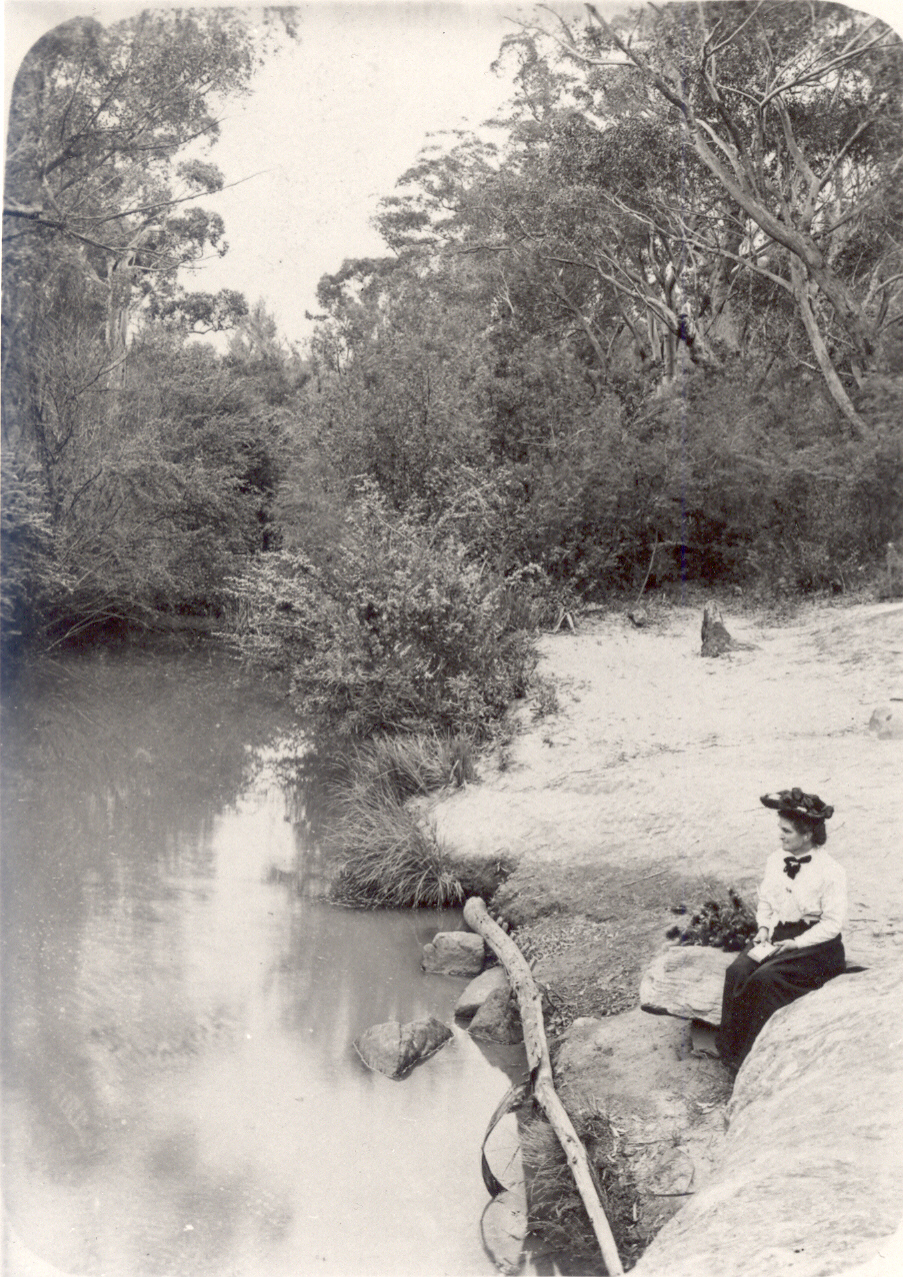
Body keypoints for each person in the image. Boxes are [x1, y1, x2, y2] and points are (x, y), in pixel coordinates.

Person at [716, 788, 847, 1072]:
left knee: (765, 979)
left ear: (807, 835)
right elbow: (766, 900)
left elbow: (832, 924)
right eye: (780, 829)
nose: (780, 836)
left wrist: (797, 943)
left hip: (815, 946)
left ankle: (754, 1060)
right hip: (777, 934)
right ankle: (730, 1052)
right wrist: (763, 928)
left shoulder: (831, 871)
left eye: (786, 831)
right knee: (737, 971)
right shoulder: (775, 860)